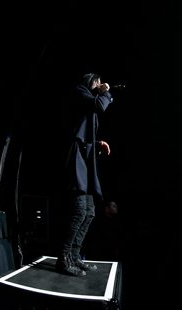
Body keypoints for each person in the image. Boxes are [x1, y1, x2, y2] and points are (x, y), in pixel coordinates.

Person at [55, 73, 114, 277]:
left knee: (90, 212)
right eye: (97, 82)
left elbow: (85, 134)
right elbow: (99, 105)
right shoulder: (80, 92)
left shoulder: (89, 102)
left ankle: (75, 256)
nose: (100, 85)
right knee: (80, 210)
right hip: (75, 160)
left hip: (85, 161)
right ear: (90, 82)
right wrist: (105, 91)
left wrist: (98, 144)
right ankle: (63, 258)